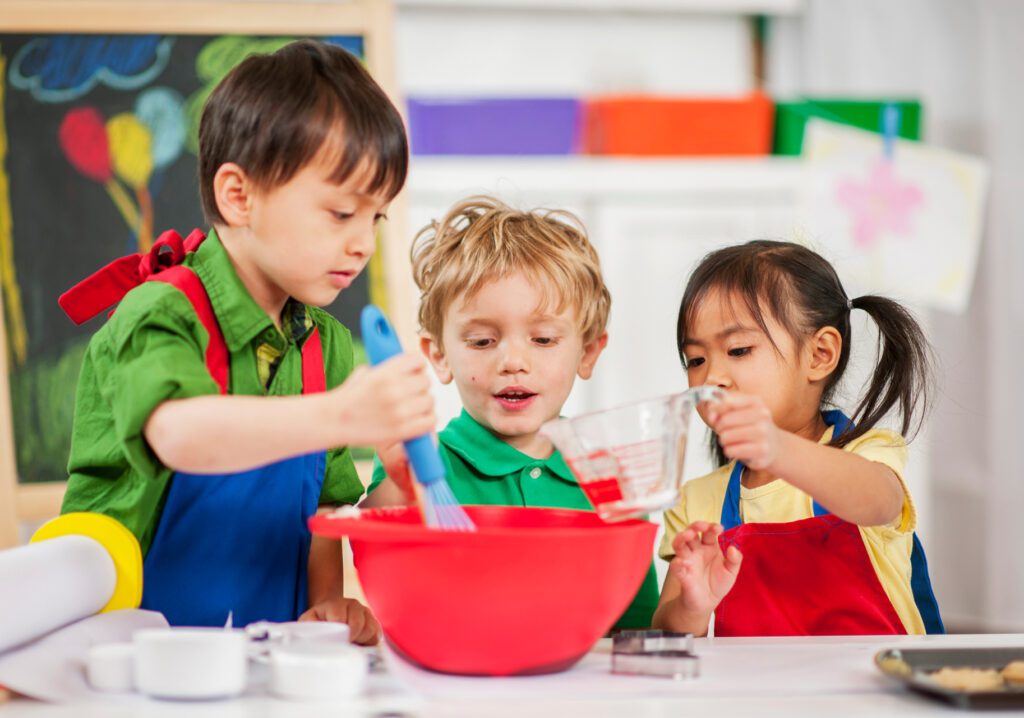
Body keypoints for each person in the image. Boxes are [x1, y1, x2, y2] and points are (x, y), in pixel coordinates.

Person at [59, 40, 434, 643]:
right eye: (342, 214)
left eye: (376, 218)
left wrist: (327, 610)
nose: (363, 243)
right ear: (240, 196)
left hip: (261, 661)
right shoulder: (160, 312)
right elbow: (181, 435)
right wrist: (341, 414)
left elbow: (323, 517)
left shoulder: (327, 347)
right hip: (123, 660)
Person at [363, 195, 660, 629]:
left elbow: (635, 630)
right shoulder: (420, 462)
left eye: (543, 339)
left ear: (589, 351)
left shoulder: (610, 483)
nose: (513, 361)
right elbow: (377, 562)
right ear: (439, 355)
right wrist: (401, 485)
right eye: (483, 341)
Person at [653, 240, 943, 637]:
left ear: (820, 354)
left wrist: (777, 448)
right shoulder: (697, 501)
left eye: (738, 349)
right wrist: (692, 605)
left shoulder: (866, 454)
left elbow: (879, 501)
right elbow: (668, 632)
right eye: (696, 360)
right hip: (760, 695)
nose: (711, 377)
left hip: (877, 690)